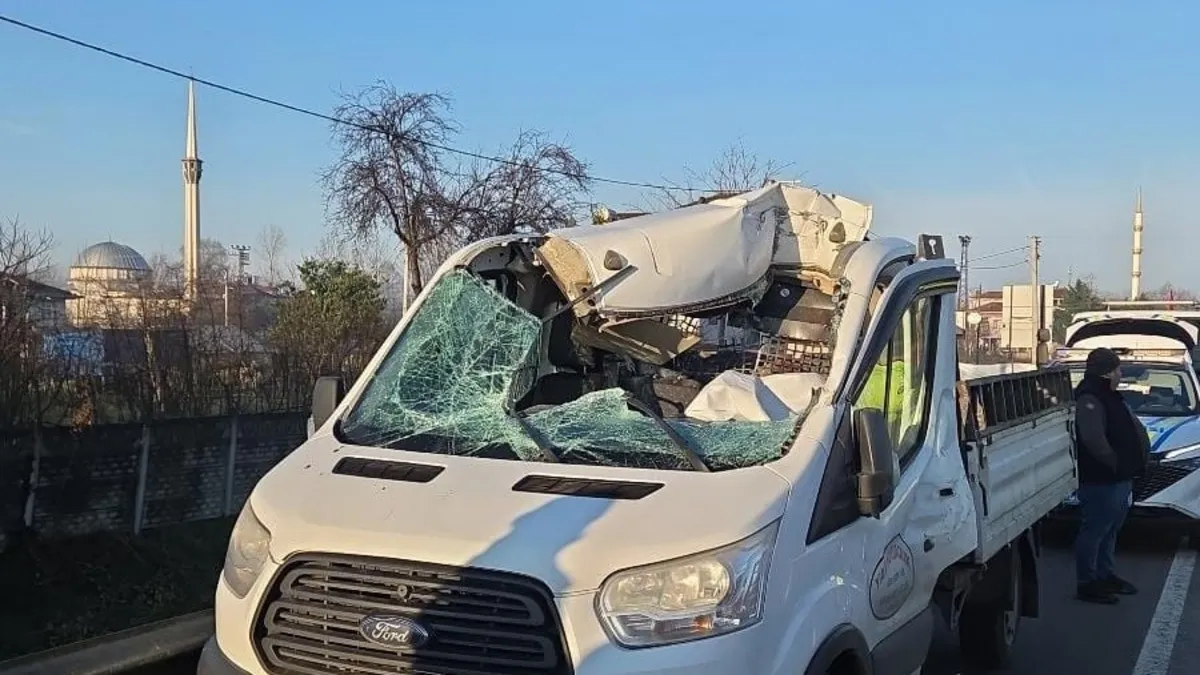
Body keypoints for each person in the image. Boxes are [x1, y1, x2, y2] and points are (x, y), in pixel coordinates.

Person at [1073, 347, 1151, 604]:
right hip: (1102, 479)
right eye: (1117, 369)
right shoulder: (1091, 397)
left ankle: (1105, 575)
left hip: (1118, 477)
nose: (1120, 373)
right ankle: (1088, 582)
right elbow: (1094, 439)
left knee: (1110, 529)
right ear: (1107, 372)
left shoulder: (1108, 395)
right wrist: (1116, 464)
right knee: (1095, 529)